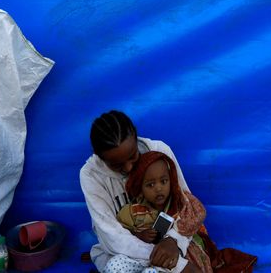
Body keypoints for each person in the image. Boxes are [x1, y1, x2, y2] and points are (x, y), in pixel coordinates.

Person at [80, 111, 195, 273]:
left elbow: (187, 206)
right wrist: (176, 264)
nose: (128, 168)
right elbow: (112, 236)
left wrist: (174, 241)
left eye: (133, 156)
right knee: (115, 268)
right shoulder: (91, 175)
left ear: (136, 139)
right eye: (117, 165)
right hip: (124, 250)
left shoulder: (159, 152)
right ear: (100, 157)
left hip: (171, 244)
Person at [111, 151, 212, 273]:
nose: (158, 188)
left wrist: (173, 239)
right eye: (150, 184)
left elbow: (198, 214)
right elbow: (118, 234)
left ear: (171, 180)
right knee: (114, 265)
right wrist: (138, 235)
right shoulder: (132, 211)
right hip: (140, 256)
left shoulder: (181, 203)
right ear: (140, 188)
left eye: (164, 181)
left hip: (174, 258)